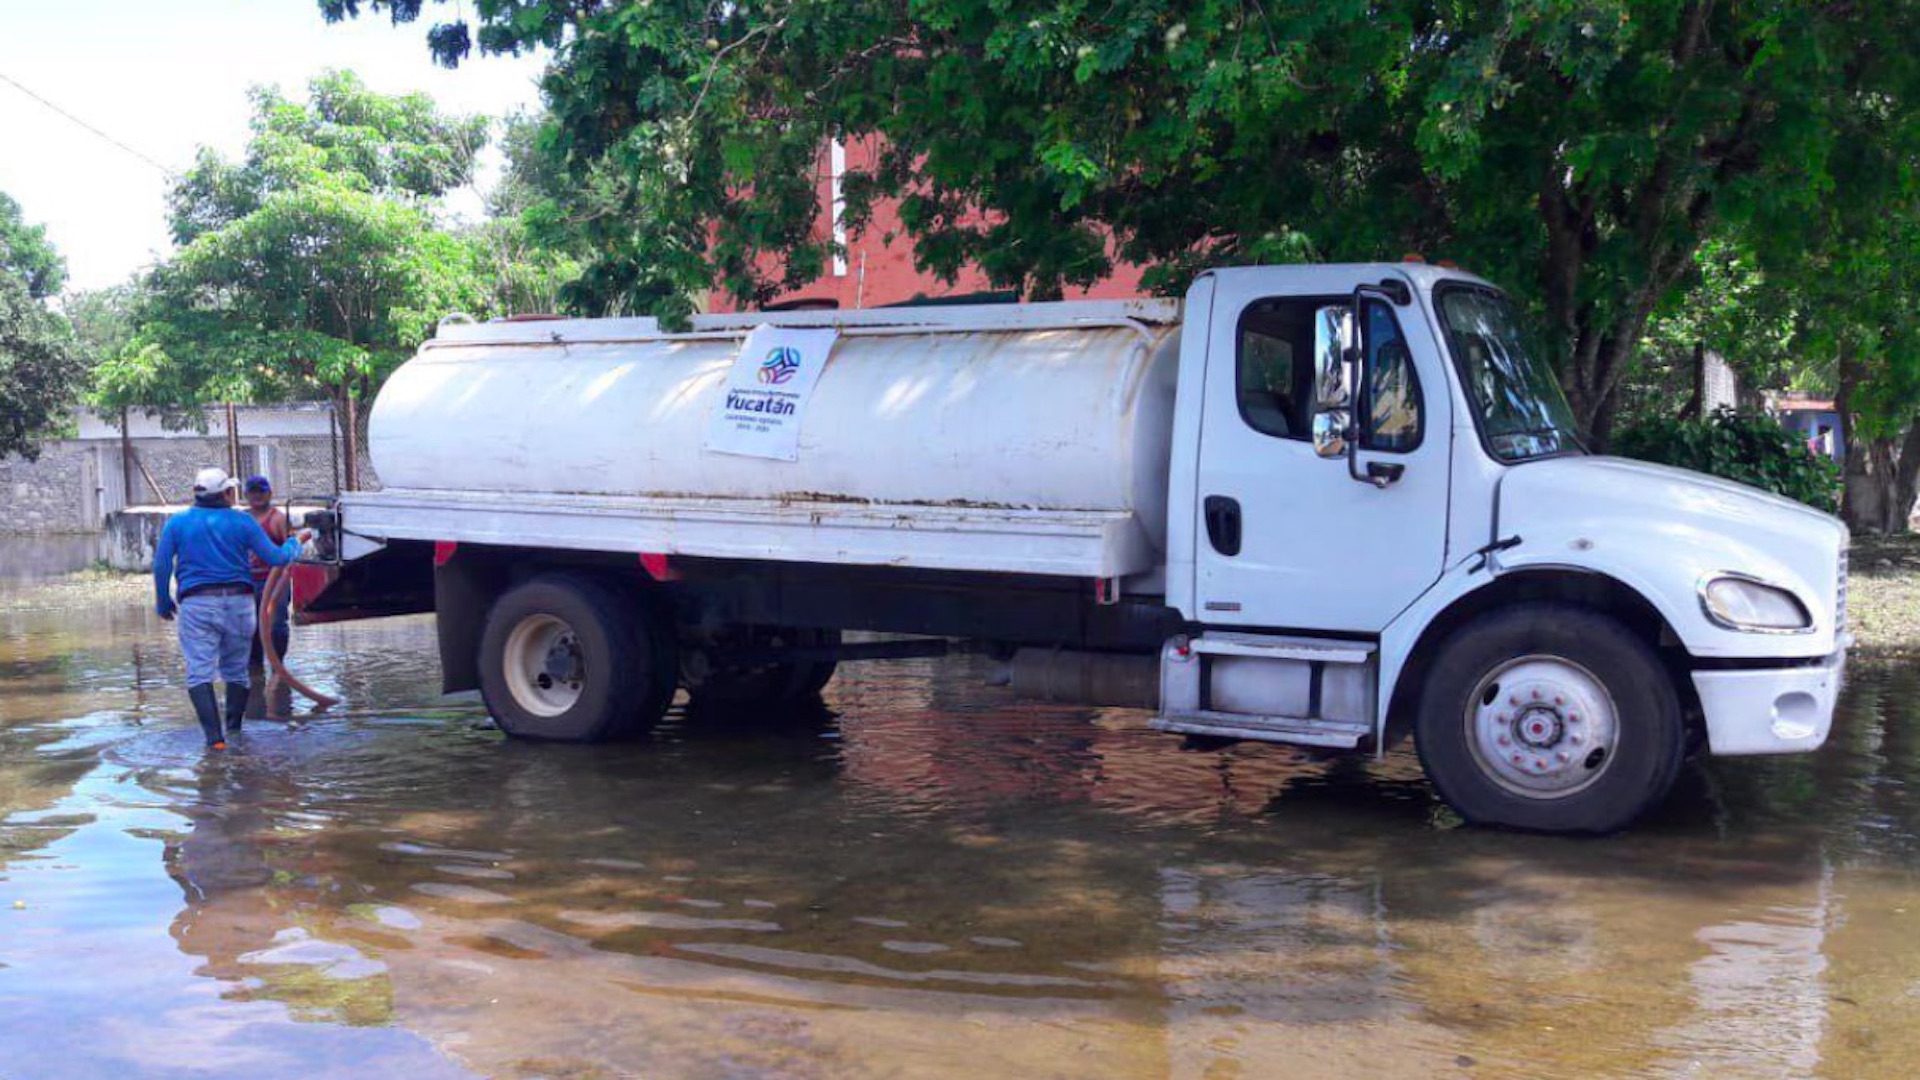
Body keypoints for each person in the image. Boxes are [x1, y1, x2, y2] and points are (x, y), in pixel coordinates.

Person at [154, 467, 304, 750]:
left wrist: (162, 600)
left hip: (196, 603)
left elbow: (161, 565)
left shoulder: (177, 523)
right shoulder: (242, 522)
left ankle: (216, 742)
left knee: (200, 672)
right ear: (225, 493)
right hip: (239, 603)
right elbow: (276, 556)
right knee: (237, 671)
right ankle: (234, 732)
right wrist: (295, 545)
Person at [242, 475, 292, 669]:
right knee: (249, 626)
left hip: (275, 581)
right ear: (246, 494)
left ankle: (278, 666)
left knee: (276, 625)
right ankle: (255, 669)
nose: (257, 496)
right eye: (253, 492)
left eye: (261, 492)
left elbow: (292, 547)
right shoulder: (241, 519)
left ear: (269, 493)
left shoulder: (277, 518)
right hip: (248, 581)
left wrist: (285, 578)